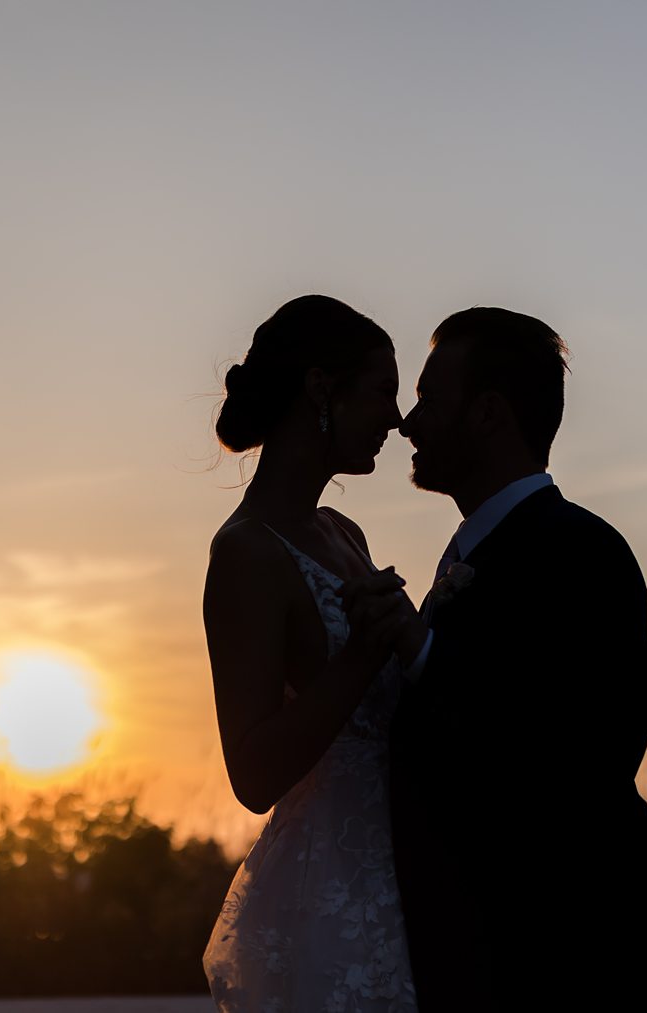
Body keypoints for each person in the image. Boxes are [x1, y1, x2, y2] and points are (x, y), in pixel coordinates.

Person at [349, 307, 647, 1010]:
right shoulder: (465, 559)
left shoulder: (584, 554)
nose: (409, 422)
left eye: (431, 400)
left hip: (566, 967)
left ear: (489, 414)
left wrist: (423, 650)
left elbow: (580, 760)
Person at [201, 294, 420, 1012]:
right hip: (330, 896)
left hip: (407, 877)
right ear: (323, 390)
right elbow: (253, 773)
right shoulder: (246, 553)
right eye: (383, 390)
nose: (396, 417)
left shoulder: (345, 532)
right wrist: (361, 654)